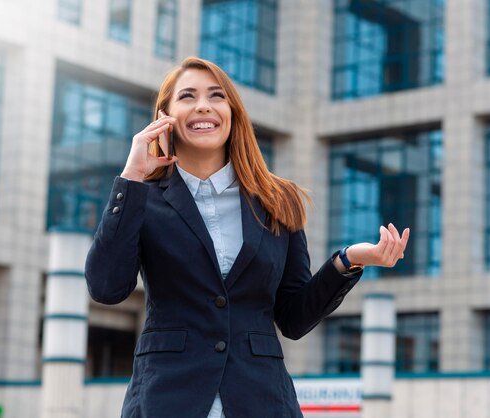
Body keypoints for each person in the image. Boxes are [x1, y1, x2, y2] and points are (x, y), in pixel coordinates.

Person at [84, 56, 410, 418]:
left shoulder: (275, 199)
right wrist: (131, 177)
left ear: (233, 113)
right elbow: (106, 288)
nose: (203, 105)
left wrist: (351, 259)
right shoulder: (142, 198)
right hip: (168, 398)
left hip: (261, 399)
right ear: (164, 117)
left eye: (216, 96)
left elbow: (294, 317)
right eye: (188, 96)